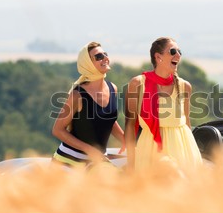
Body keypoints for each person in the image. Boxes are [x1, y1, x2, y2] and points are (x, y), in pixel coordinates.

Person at [124, 37, 203, 173]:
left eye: (179, 51)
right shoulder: (137, 84)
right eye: (173, 51)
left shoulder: (185, 86)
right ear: (158, 57)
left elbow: (187, 123)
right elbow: (130, 125)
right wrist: (131, 163)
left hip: (182, 151)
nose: (178, 55)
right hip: (149, 152)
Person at [52, 41, 125, 169]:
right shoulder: (77, 95)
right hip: (69, 161)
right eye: (98, 57)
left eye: (105, 54)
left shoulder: (112, 88)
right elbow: (57, 130)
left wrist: (125, 140)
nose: (105, 58)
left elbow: (107, 119)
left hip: (97, 161)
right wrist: (89, 150)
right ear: (88, 64)